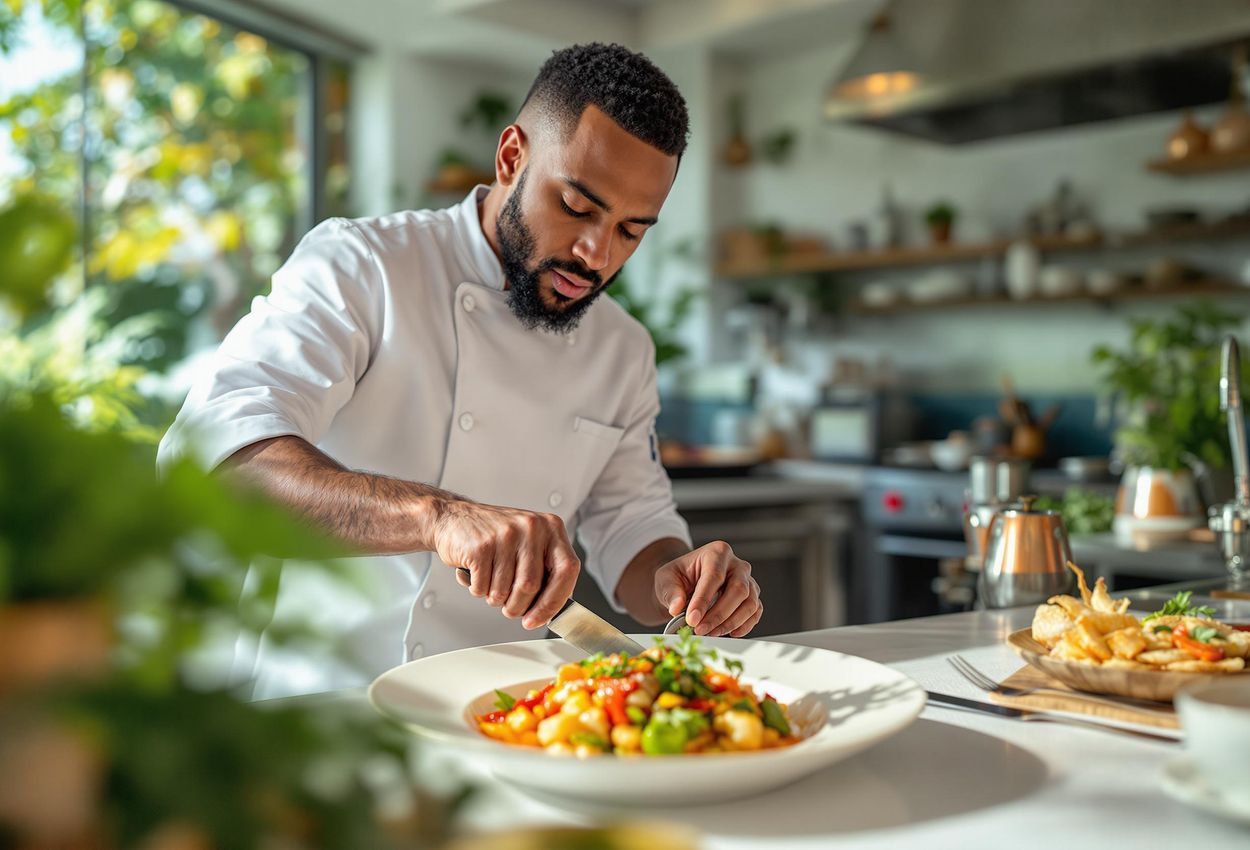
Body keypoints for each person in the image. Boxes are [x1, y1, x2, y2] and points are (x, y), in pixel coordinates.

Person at [158, 42, 762, 699]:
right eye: (578, 208)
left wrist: (686, 578)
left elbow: (632, 529)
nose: (596, 254)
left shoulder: (623, 350)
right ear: (511, 158)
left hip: (501, 716)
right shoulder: (362, 265)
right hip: (316, 703)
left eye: (631, 230)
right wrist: (436, 518)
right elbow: (216, 469)